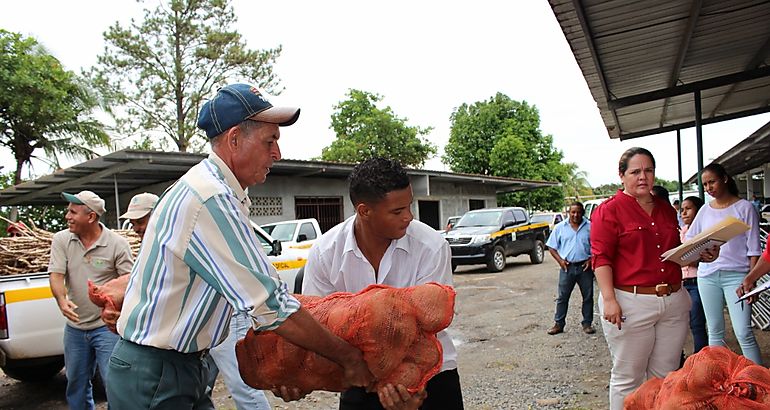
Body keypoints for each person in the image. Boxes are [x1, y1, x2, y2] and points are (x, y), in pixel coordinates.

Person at [107, 84, 373, 409]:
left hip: (178, 367)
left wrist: (283, 363)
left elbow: (251, 299)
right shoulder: (210, 198)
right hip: (156, 373)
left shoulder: (218, 192)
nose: (277, 154)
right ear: (234, 139)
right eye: (269, 141)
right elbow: (270, 304)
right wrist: (348, 358)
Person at [301, 157, 463, 410]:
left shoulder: (431, 246)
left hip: (429, 375)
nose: (409, 217)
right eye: (397, 211)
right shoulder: (326, 252)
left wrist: (412, 384)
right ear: (364, 211)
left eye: (409, 206)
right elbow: (316, 324)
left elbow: (428, 326)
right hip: (361, 377)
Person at [117, 191, 272, 409]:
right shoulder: (152, 243)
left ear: (158, 214)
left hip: (223, 319)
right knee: (199, 384)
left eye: (141, 221)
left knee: (242, 386)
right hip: (194, 332)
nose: (137, 228)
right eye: (133, 223)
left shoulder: (184, 235)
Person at [590, 147, 716, 410]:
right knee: (628, 379)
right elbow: (601, 258)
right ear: (621, 175)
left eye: (648, 170)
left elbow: (672, 255)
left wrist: (701, 255)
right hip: (631, 302)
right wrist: (609, 299)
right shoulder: (608, 211)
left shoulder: (665, 209)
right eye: (635, 171)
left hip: (672, 300)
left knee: (665, 376)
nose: (642, 177)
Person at [49, 190, 134, 410]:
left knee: (113, 382)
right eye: (68, 211)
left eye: (73, 212)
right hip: (75, 329)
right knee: (76, 382)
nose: (67, 216)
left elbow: (129, 282)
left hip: (106, 329)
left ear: (91, 217)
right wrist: (61, 299)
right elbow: (56, 274)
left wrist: (111, 303)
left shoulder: (117, 244)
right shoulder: (61, 240)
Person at [685, 162, 763, 364]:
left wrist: (751, 279)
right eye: (705, 184)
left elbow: (754, 249)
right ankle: (717, 378)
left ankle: (760, 381)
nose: (709, 188)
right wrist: (701, 254)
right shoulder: (704, 210)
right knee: (715, 330)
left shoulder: (745, 208)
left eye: (712, 182)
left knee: (743, 332)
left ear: (725, 179)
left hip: (738, 276)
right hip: (707, 276)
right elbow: (690, 241)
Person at [545, 201, 595, 335]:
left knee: (588, 296)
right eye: (573, 212)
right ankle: (559, 324)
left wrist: (591, 258)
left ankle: (587, 323)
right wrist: (560, 261)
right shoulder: (560, 227)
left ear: (582, 213)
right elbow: (551, 246)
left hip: (585, 267)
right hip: (567, 267)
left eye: (578, 212)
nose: (575, 215)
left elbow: (596, 246)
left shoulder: (590, 227)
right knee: (562, 297)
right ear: (568, 213)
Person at [679, 196, 708, 355]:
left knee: (697, 323)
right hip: (682, 282)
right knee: (684, 323)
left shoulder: (704, 231)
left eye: (688, 209)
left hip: (697, 281)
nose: (684, 212)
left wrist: (688, 260)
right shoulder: (682, 231)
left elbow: (703, 258)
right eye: (682, 209)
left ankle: (700, 360)